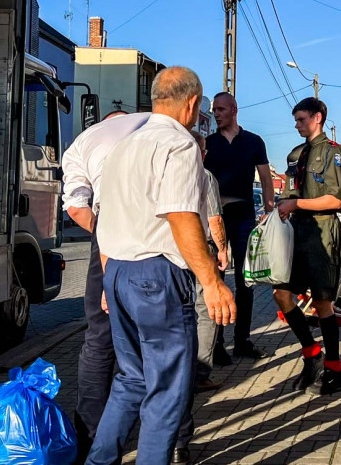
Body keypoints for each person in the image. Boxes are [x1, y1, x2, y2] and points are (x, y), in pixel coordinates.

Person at [86, 67, 236, 465]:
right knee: (167, 389)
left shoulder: (123, 147)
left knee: (130, 380)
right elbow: (182, 215)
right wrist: (211, 281)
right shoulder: (180, 145)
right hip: (157, 277)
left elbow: (106, 219)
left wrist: (106, 281)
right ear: (191, 104)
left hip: (117, 270)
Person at [61, 109, 150, 464]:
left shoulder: (82, 143)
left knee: (99, 338)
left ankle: (91, 435)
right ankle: (170, 436)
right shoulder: (150, 124)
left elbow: (75, 207)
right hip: (157, 230)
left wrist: (107, 234)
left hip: (109, 227)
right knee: (159, 336)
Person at [274, 97, 341, 396]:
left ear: (317, 118)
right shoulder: (295, 155)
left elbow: (336, 200)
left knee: (322, 303)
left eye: (301, 119)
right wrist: (280, 206)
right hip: (296, 233)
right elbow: (289, 191)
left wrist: (296, 203)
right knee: (281, 294)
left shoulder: (335, 153)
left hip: (322, 232)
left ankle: (335, 370)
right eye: (295, 120)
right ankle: (311, 353)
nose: (296, 125)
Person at [173, 130, 230, 464]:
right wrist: (222, 251)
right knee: (204, 313)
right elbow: (214, 218)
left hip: (163, 258)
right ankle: (198, 374)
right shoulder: (203, 175)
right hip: (200, 254)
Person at [204, 91, 274, 360]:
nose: (216, 113)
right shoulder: (209, 143)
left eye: (221, 109)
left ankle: (243, 340)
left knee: (246, 280)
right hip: (216, 220)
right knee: (216, 279)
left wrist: (269, 210)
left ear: (234, 109)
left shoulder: (254, 141)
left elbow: (266, 177)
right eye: (214, 109)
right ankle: (216, 344)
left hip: (245, 218)